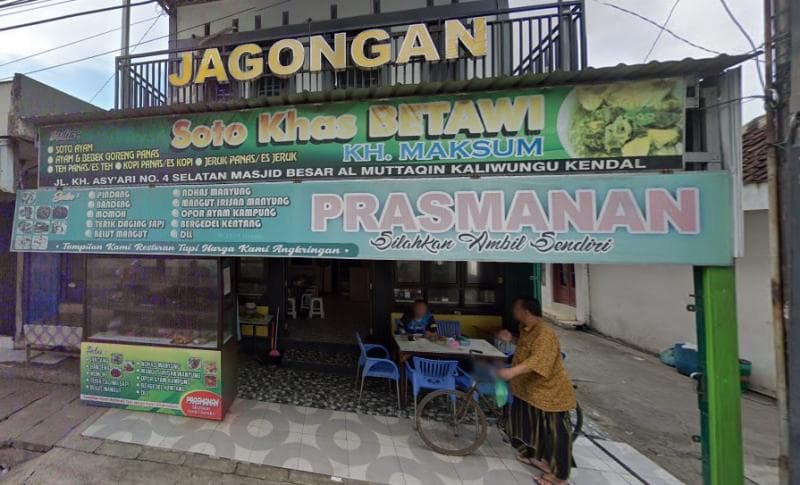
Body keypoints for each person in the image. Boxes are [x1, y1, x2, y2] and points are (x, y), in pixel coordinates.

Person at [496, 297, 576, 485]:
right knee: (530, 426)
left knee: (555, 434)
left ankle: (559, 476)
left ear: (526, 312)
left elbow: (537, 361)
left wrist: (511, 372)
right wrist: (512, 339)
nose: (513, 311)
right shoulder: (526, 329)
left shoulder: (545, 334)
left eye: (516, 308)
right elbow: (526, 350)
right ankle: (536, 457)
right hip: (529, 391)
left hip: (550, 393)